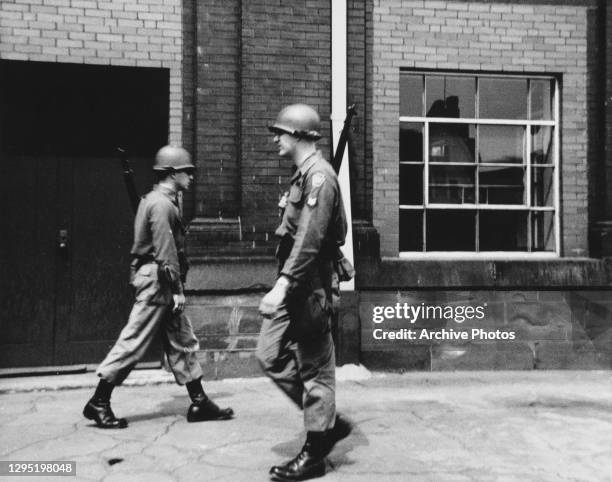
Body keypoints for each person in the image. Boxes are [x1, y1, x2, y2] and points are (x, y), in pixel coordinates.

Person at [83, 145, 233, 429]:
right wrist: (176, 288)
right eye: (187, 172)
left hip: (157, 279)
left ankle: (199, 401)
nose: (191, 177)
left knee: (182, 340)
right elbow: (166, 252)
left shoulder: (155, 200)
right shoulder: (162, 204)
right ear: (173, 172)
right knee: (135, 340)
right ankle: (99, 401)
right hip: (158, 281)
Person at [257, 104, 352, 481]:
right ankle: (325, 420)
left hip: (308, 284)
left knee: (316, 369)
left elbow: (310, 241)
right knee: (267, 354)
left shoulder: (318, 179)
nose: (276, 138)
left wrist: (282, 285)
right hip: (295, 282)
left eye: (281, 132)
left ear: (299, 135)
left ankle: (314, 453)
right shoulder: (302, 177)